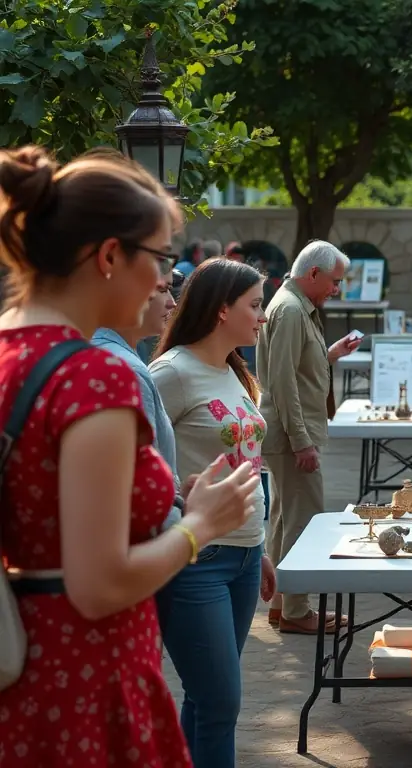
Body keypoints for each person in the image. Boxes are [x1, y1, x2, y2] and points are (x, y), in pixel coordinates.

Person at [0, 145, 259, 766]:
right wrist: (200, 527)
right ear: (111, 256)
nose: (167, 281)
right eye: (162, 258)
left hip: (23, 674)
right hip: (86, 679)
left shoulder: (11, 353)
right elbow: (99, 585)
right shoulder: (96, 375)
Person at [149, 258, 274, 766]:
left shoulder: (233, 370)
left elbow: (248, 465)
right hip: (197, 559)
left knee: (206, 700)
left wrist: (258, 547)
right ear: (222, 309)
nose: (262, 316)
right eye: (255, 305)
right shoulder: (171, 372)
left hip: (244, 556)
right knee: (221, 701)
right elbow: (138, 463)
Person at [257, 240, 360, 634]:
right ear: (313, 273)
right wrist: (301, 441)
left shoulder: (295, 305)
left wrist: (328, 354)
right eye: (334, 281)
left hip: (289, 432)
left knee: (286, 519)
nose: (336, 289)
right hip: (291, 435)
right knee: (304, 522)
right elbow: (283, 382)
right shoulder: (290, 309)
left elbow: (294, 368)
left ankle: (283, 604)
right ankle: (297, 611)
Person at [93, 270, 179, 528]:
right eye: (162, 289)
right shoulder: (127, 369)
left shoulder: (112, 354)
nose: (172, 302)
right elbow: (142, 485)